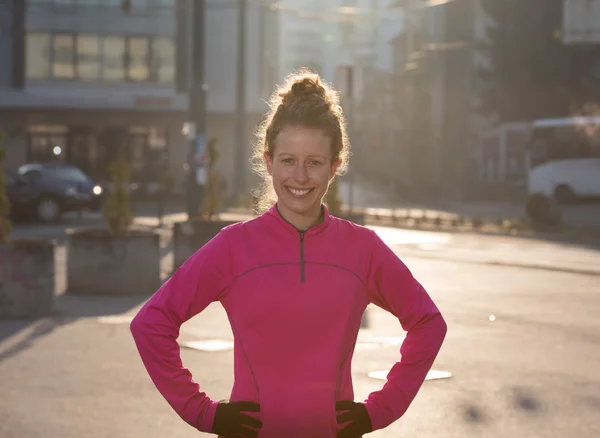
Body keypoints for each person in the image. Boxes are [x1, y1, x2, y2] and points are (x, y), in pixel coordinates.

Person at [130, 69, 447, 438]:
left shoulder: (364, 249)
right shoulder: (234, 247)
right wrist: (204, 413)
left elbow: (428, 323)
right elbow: (151, 324)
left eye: (314, 162)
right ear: (268, 163)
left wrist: (380, 410)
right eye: (288, 160)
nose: (300, 176)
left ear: (334, 166)